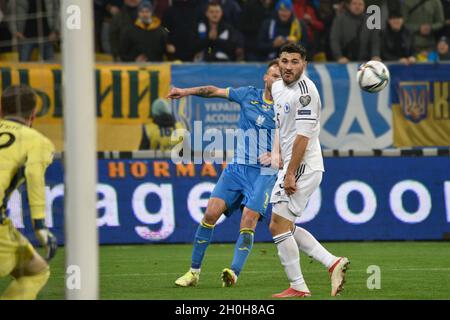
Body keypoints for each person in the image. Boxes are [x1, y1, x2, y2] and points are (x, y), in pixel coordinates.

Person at [168, 60, 281, 288]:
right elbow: (212, 91)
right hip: (237, 169)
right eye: (272, 74)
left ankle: (234, 272)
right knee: (210, 213)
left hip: (264, 172)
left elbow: (300, 140)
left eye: (279, 76)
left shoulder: (286, 107)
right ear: (265, 77)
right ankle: (193, 273)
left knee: (248, 218)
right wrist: (184, 92)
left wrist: (277, 155)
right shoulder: (248, 95)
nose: (275, 79)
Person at [269, 43, 349, 298]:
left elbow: (302, 137)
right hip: (292, 164)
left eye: (294, 61)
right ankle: (332, 262)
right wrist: (279, 155)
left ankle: (299, 287)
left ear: (305, 63)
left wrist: (291, 172)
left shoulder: (306, 92)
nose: (288, 66)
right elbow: (283, 127)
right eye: (284, 61)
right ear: (278, 62)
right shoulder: (277, 87)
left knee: (277, 225)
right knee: (285, 225)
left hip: (303, 164)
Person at [0, 85, 57, 300]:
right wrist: (40, 226)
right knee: (36, 272)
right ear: (33, 115)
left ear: (1, 110)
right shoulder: (37, 141)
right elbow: (34, 178)